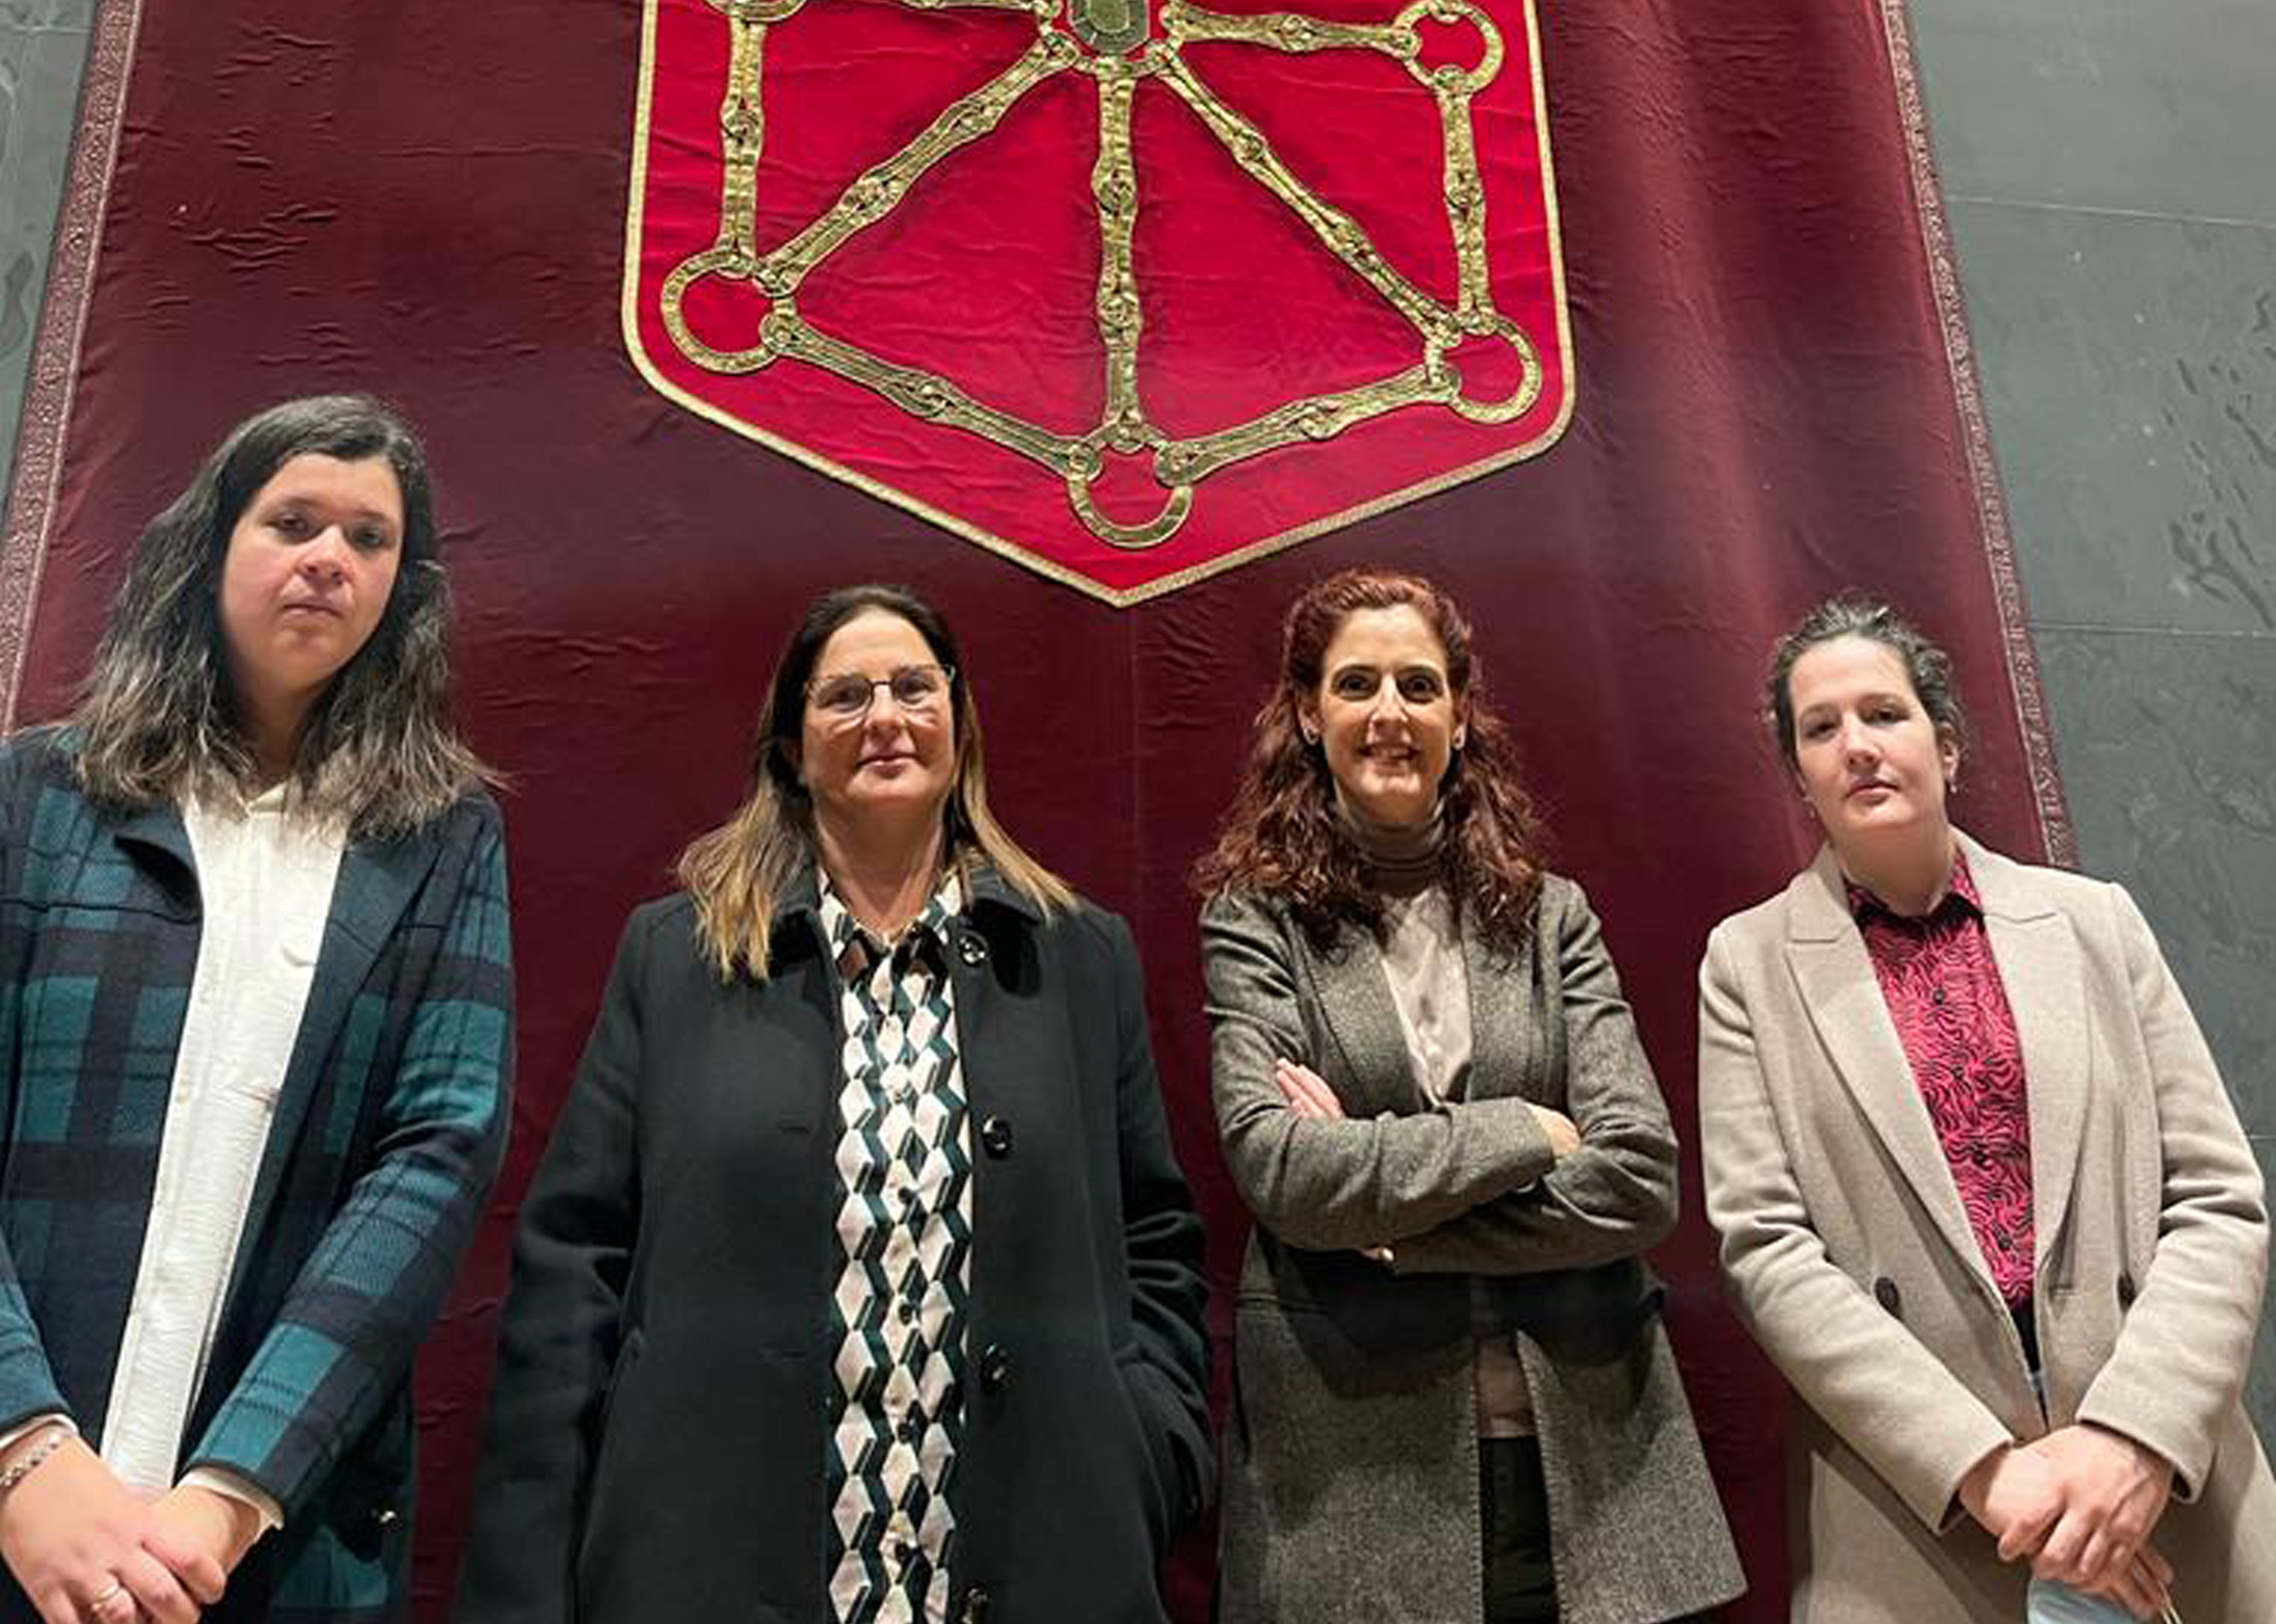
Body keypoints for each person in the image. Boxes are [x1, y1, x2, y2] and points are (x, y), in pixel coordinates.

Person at [457, 583, 1211, 1624]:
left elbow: (1155, 1239)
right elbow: (573, 1270)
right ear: (790, 748)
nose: (886, 717)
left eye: (913, 686)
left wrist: (1149, 1445)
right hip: (709, 1557)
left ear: (958, 723)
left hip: (1034, 1555)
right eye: (844, 696)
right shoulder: (675, 960)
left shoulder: (1080, 957)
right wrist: (530, 1572)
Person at [0, 396, 513, 1624]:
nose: (330, 558)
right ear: (213, 546)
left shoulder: (442, 840)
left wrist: (228, 1490)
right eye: (293, 520)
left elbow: (434, 1159)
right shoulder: (40, 793)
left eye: (370, 539)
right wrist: (22, 1442)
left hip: (262, 1542)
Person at [1697, 595, 2276, 1622]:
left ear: (1946, 745)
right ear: (1798, 776)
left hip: (2158, 1483)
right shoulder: (1746, 966)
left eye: (1884, 713)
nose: (1857, 747)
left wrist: (2131, 1441)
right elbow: (1767, 1250)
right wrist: (1982, 1470)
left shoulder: (2095, 923)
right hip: (1923, 1509)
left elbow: (2218, 1198)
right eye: (1820, 729)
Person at [1197, 568, 1743, 1624]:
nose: (1389, 713)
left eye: (1417, 684)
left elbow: (1639, 1182)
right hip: (1356, 1483)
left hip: (1588, 1474)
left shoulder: (1552, 918)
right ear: (1308, 716)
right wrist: (1525, 1130)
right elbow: (1286, 1176)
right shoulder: (1252, 922)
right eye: (1357, 685)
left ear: (1458, 711)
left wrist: (1395, 1223)